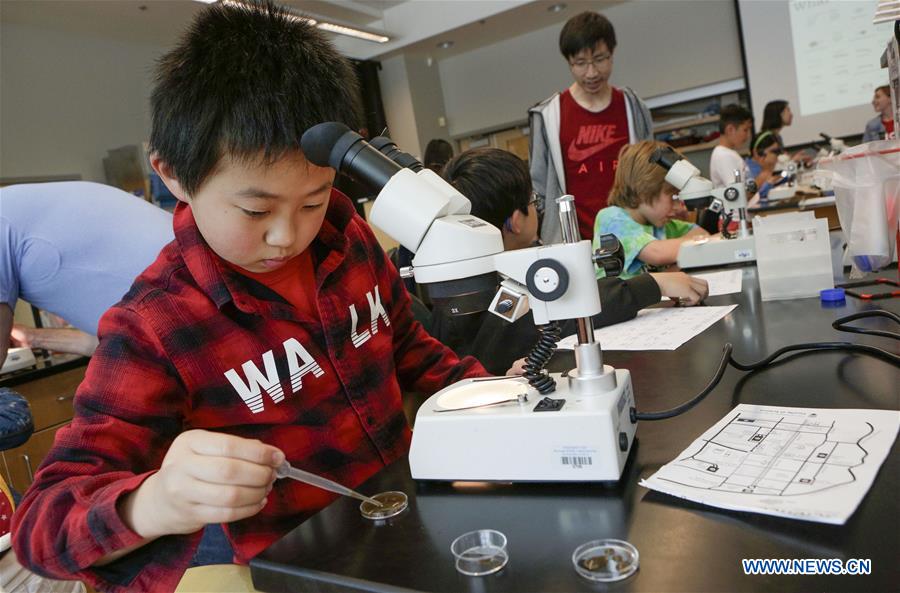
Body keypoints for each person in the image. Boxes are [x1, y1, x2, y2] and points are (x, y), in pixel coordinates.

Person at [12, 3, 487, 592]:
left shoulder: (350, 236)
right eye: (255, 209)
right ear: (174, 176)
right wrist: (154, 501)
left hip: (420, 517)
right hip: (306, 570)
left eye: (312, 200)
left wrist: (494, 394)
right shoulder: (156, 325)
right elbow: (42, 526)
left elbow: (410, 348)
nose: (288, 235)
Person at [435, 147, 708, 374]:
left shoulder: (461, 282)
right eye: (533, 200)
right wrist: (651, 285)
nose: (537, 209)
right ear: (515, 222)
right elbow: (563, 312)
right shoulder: (495, 291)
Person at [0, 182, 173, 366]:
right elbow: (114, 342)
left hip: (182, 322)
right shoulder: (19, 209)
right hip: (186, 315)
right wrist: (33, 337)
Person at [529, 10, 653, 245]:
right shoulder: (549, 115)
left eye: (599, 59)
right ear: (569, 62)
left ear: (612, 54)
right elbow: (539, 186)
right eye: (581, 63)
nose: (592, 73)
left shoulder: (632, 106)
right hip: (574, 243)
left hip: (634, 240)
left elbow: (650, 172)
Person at [595, 141, 712, 278]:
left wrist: (674, 268)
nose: (679, 206)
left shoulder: (659, 224)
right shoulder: (611, 219)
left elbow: (702, 235)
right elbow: (657, 253)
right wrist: (713, 241)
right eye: (673, 197)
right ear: (645, 191)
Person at [708, 104, 752, 188]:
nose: (748, 135)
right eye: (745, 130)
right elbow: (737, 194)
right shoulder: (724, 156)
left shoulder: (727, 153)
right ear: (730, 129)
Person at [745, 130, 783, 200]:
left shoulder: (766, 166)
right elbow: (750, 197)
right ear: (758, 153)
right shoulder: (746, 170)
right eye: (774, 152)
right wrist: (768, 180)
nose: (777, 155)